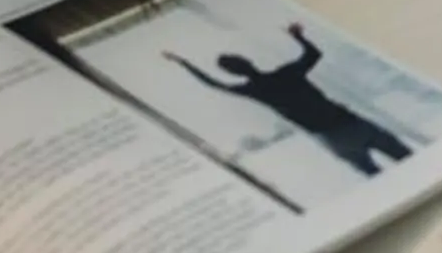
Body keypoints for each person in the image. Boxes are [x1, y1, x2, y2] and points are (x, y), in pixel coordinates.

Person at [165, 24, 413, 177]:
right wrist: (298, 36)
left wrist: (183, 63)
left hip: (331, 136)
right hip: (348, 122)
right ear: (248, 62)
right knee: (407, 159)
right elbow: (314, 54)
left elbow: (213, 84)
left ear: (234, 72)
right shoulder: (286, 73)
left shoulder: (253, 90)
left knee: (376, 176)